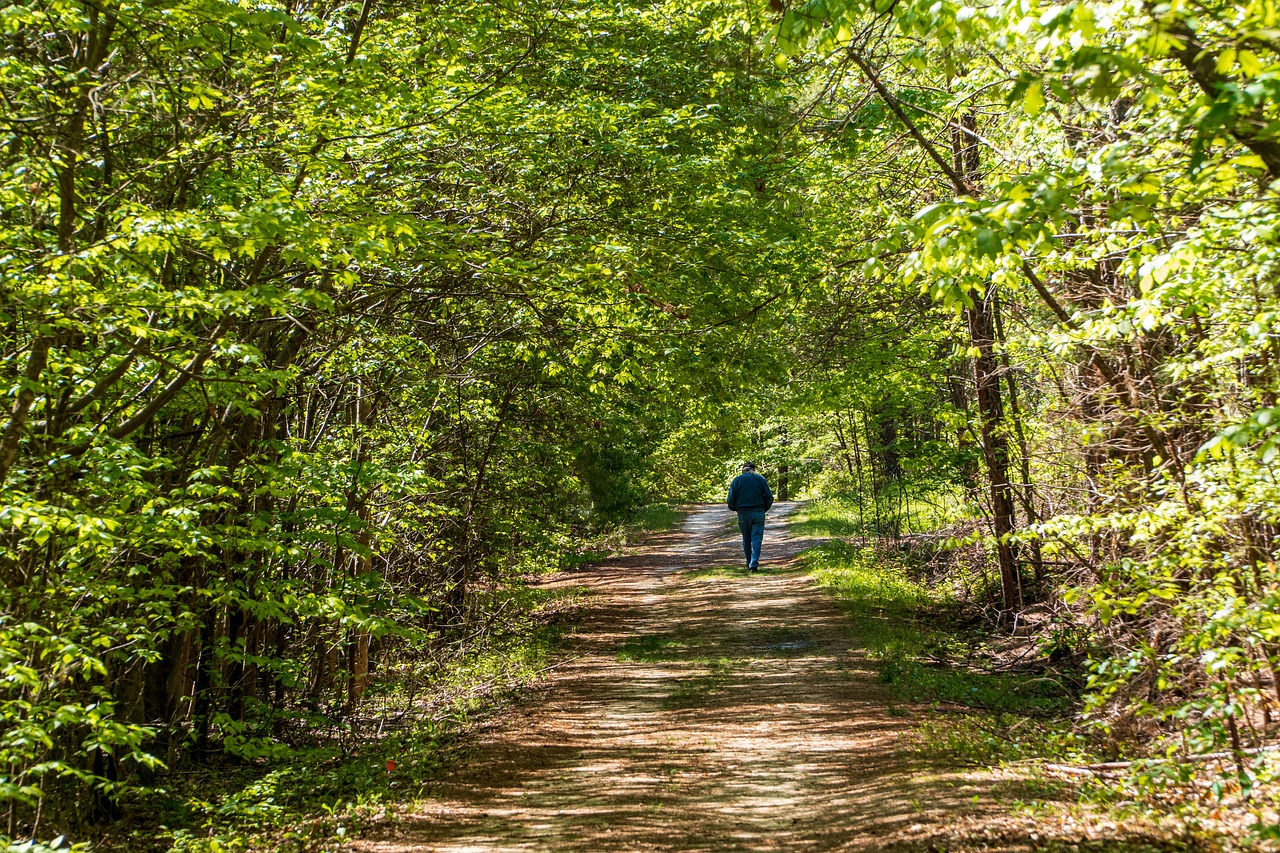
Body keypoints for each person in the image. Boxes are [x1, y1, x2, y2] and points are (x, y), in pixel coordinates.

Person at [727, 461, 773, 572]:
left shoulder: (737, 480)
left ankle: (748, 562)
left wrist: (736, 508)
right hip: (758, 511)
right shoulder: (760, 479)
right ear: (754, 469)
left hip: (743, 512)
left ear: (743, 469)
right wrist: (763, 508)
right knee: (757, 538)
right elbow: (769, 497)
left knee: (746, 538)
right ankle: (754, 563)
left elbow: (730, 499)